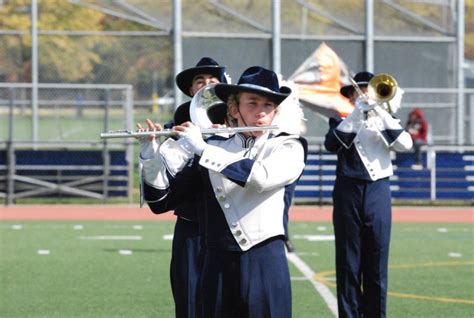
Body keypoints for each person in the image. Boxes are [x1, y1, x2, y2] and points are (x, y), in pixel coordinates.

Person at [140, 66, 307, 318]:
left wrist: (202, 149)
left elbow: (259, 177)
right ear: (233, 109)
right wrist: (151, 155)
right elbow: (161, 201)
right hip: (215, 264)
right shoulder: (215, 145)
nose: (261, 111)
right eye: (252, 103)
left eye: (268, 105)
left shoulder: (287, 146)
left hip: (264, 261)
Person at [138, 56, 228, 318]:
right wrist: (154, 148)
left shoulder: (237, 121)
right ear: (191, 90)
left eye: (213, 81)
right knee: (188, 300)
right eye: (200, 81)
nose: (206, 85)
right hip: (192, 227)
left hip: (228, 228)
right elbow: (162, 193)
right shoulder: (179, 123)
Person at [324, 71, 413, 318]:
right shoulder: (341, 120)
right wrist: (356, 113)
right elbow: (331, 145)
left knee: (377, 261)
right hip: (347, 191)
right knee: (348, 262)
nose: (364, 94)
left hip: (378, 190)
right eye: (358, 91)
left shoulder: (387, 119)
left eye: (368, 90)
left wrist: (380, 113)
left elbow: (406, 145)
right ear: (351, 96)